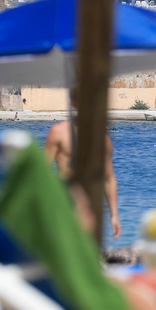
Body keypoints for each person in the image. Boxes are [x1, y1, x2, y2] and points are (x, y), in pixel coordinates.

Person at [44, 95, 121, 238]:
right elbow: (43, 173)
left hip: (91, 204)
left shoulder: (103, 140)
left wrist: (114, 215)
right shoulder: (59, 133)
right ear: (74, 103)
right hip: (64, 201)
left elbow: (108, 179)